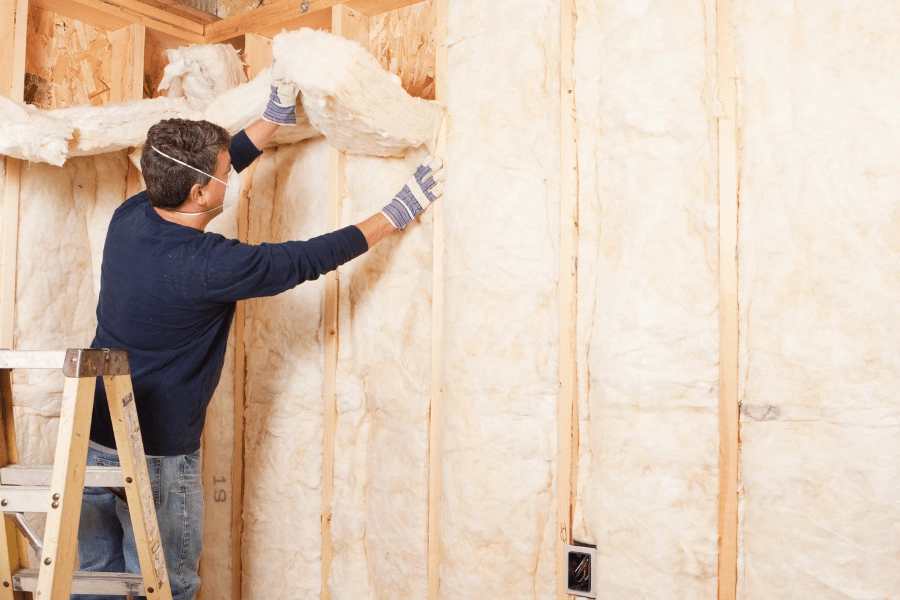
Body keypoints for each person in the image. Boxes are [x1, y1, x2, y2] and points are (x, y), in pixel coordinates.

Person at [76, 81, 444, 600]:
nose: (230, 175)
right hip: (154, 456)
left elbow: (205, 171)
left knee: (91, 580)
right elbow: (305, 259)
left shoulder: (130, 216)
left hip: (90, 437)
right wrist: (395, 214)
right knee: (166, 588)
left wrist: (271, 120)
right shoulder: (212, 265)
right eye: (225, 173)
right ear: (200, 193)